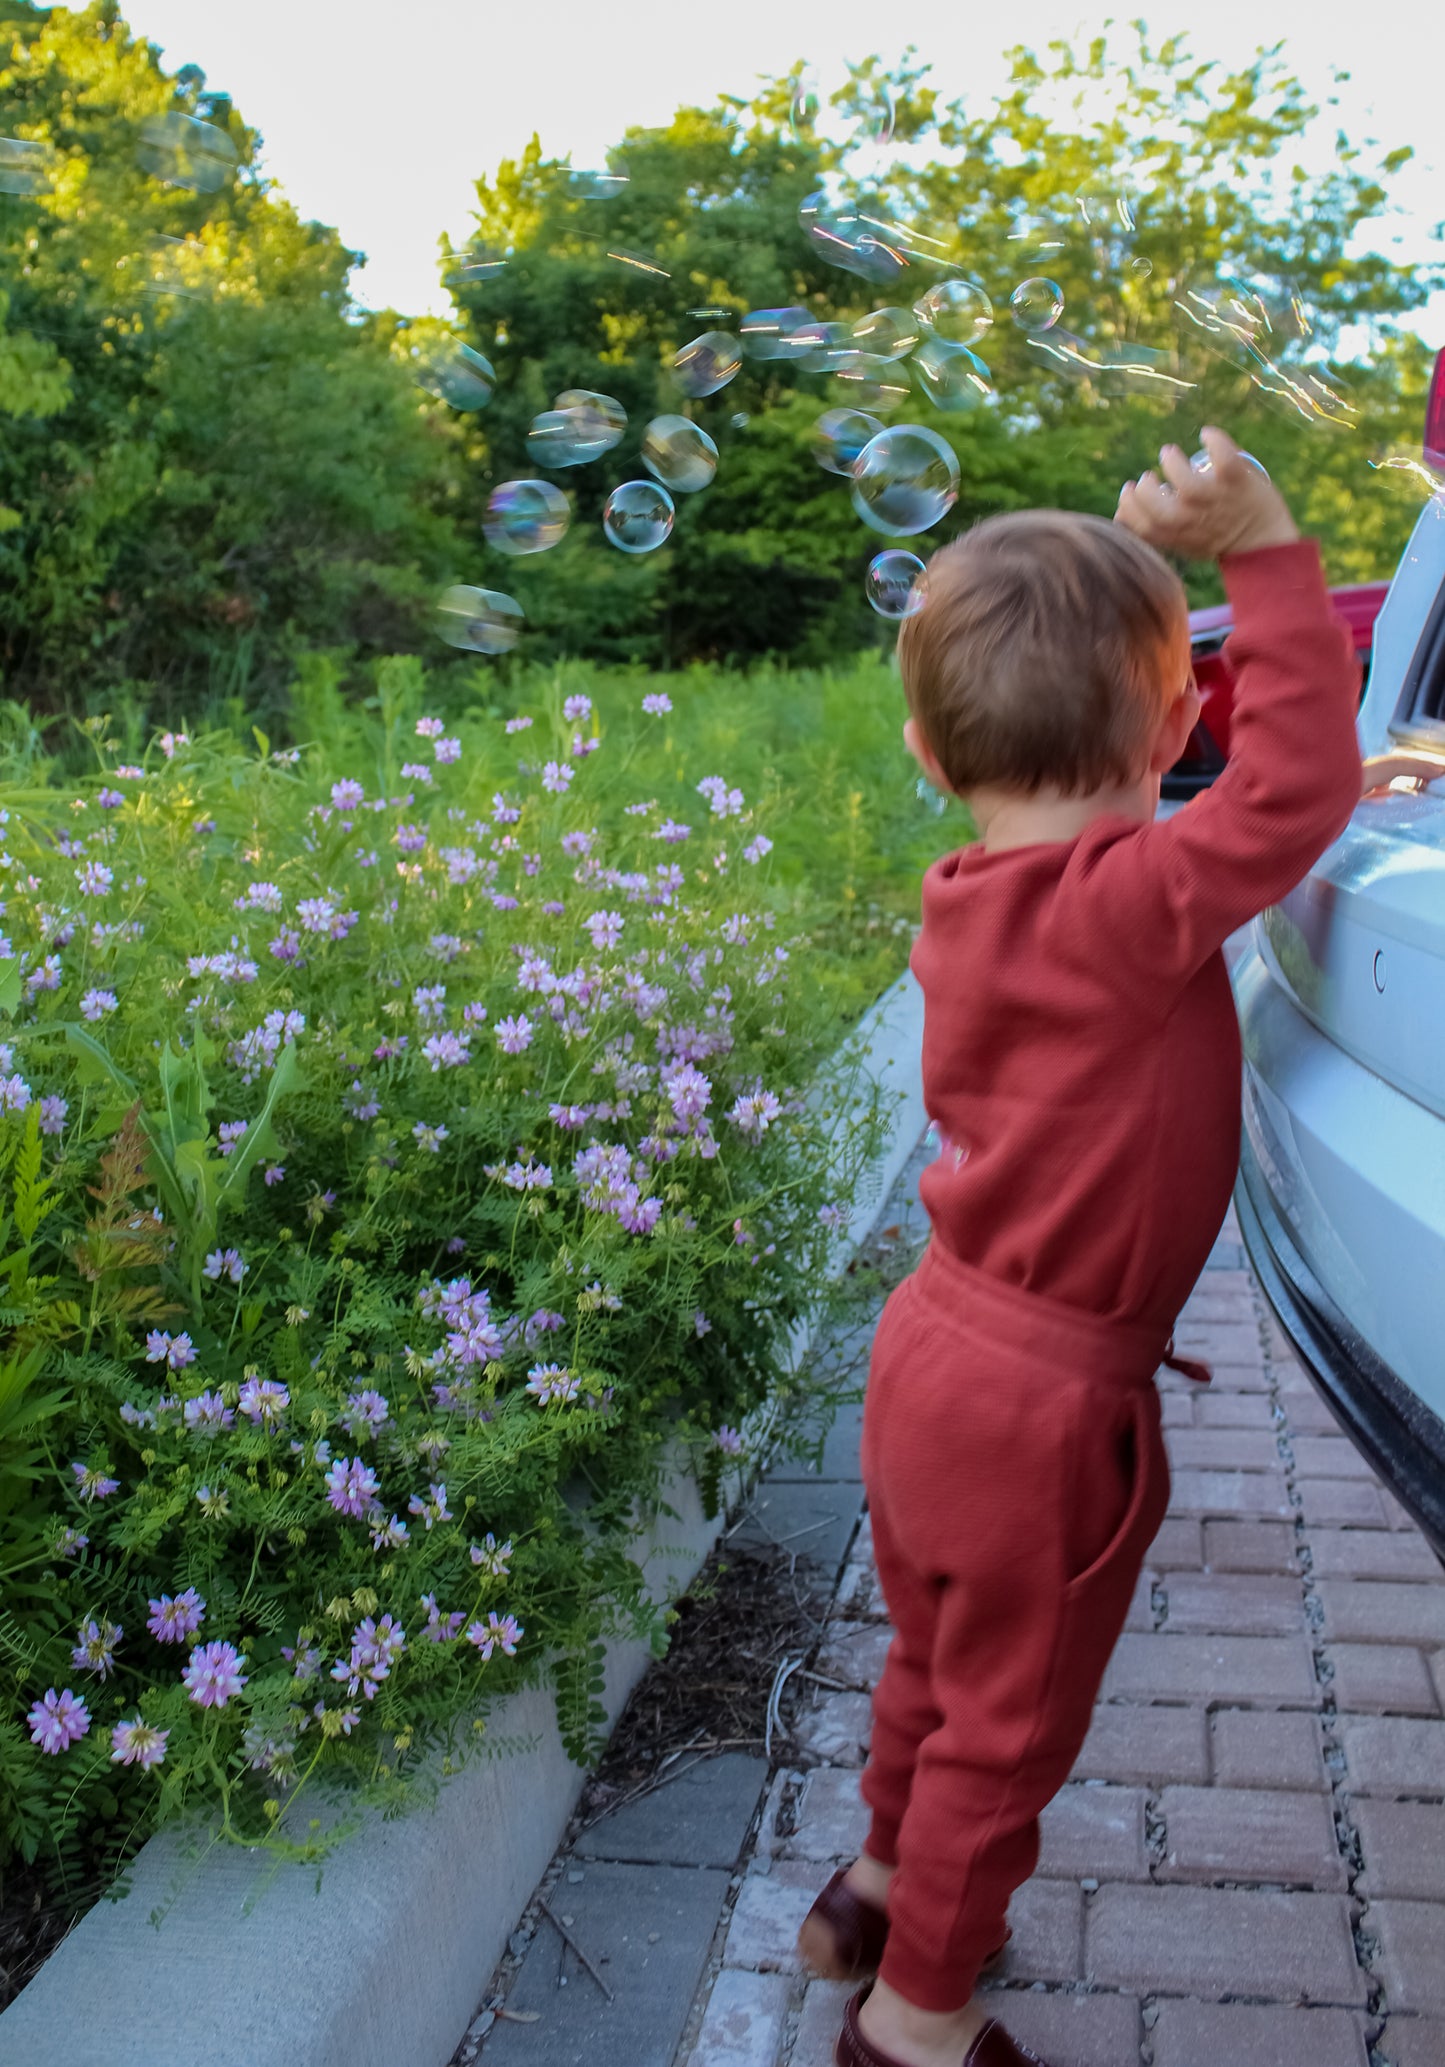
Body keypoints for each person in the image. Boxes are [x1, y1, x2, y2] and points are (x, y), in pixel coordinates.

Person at [799, 429, 1364, 2067]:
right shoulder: (1135, 906)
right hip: (1045, 1408)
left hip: (931, 1358)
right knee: (1009, 1725)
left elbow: (1233, 801)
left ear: (925, 753)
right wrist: (1256, 542)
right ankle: (915, 2015)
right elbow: (1298, 792)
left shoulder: (963, 895)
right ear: (1175, 722)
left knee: (933, 1654)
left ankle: (872, 1882)